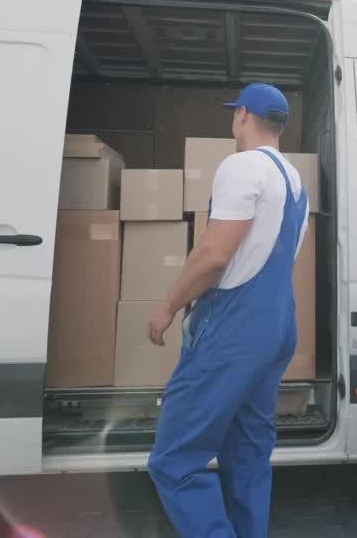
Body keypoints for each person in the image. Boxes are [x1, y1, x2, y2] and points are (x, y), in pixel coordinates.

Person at [146, 82, 309, 538]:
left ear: (241, 115)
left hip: (232, 331)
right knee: (249, 455)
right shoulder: (296, 182)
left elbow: (215, 256)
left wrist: (168, 304)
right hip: (276, 329)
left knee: (175, 460)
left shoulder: (241, 167)